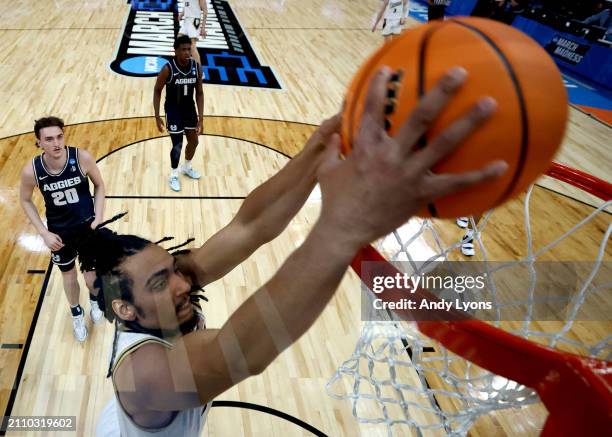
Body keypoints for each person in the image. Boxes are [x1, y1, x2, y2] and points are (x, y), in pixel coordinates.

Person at [95, 66, 506, 436]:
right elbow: (238, 354)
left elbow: (250, 226)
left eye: (173, 269)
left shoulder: (169, 292)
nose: (184, 282)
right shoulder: (141, 375)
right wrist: (343, 226)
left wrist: (321, 145)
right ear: (125, 311)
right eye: (160, 282)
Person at [19, 116, 106, 342]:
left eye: (59, 136)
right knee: (69, 276)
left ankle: (96, 302)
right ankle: (76, 313)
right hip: (59, 233)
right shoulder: (32, 170)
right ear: (38, 142)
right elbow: (25, 200)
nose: (56, 143)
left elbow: (99, 185)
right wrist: (44, 233)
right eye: (49, 139)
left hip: (87, 228)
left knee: (90, 278)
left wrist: (98, 218)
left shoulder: (82, 157)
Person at [153, 35, 204, 192]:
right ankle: (174, 174)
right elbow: (157, 90)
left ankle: (186, 167)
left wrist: (201, 118)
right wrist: (157, 115)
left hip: (189, 109)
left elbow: (200, 93)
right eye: (183, 49)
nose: (187, 52)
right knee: (178, 144)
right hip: (173, 110)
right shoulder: (168, 69)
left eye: (189, 49)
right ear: (175, 51)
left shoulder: (196, 67)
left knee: (194, 142)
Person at [178, 0, 208, 65]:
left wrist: (203, 28)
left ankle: (200, 72)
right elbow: (187, 5)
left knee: (192, 46)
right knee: (178, 42)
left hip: (194, 20)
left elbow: (205, 11)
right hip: (186, 20)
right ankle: (183, 64)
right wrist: (182, 14)